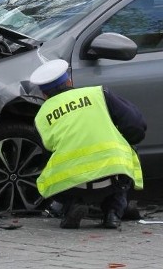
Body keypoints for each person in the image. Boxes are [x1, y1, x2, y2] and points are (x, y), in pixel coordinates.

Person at [30, 59, 146, 230]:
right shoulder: (99, 94)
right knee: (128, 154)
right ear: (69, 81)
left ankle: (72, 205)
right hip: (111, 177)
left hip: (70, 184)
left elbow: (47, 152)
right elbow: (136, 125)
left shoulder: (41, 117)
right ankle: (112, 213)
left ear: (44, 95)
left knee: (50, 170)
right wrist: (124, 141)